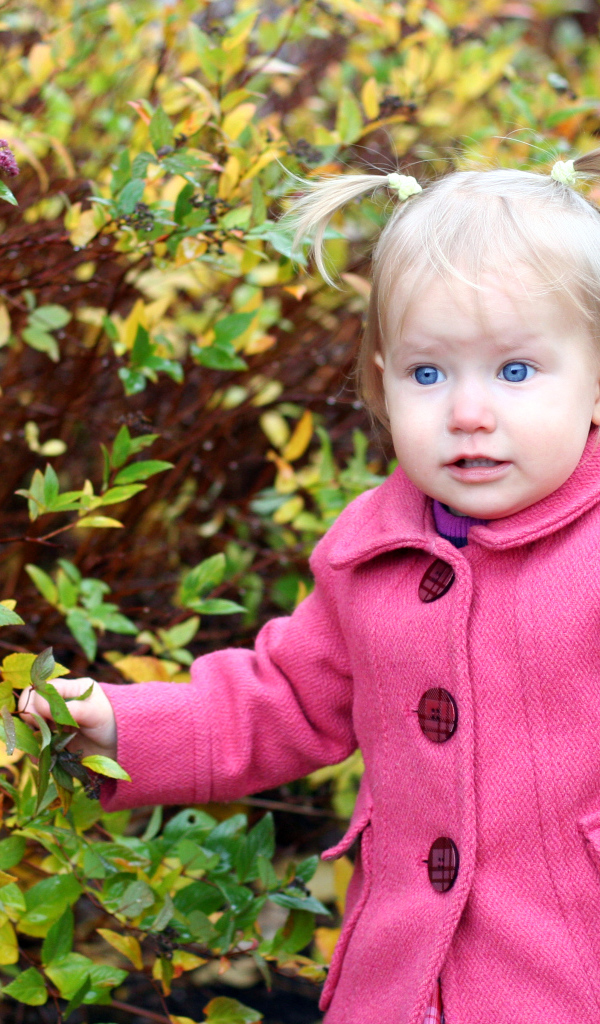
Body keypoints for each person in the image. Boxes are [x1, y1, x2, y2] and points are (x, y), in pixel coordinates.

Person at [19, 149, 600, 1024]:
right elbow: (284, 700)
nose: (468, 412)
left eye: (516, 371)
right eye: (428, 373)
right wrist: (122, 723)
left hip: (568, 971)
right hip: (401, 983)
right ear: (381, 385)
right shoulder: (370, 552)